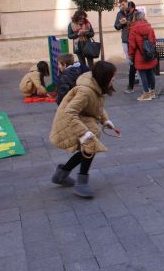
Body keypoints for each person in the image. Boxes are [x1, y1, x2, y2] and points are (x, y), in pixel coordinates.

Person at [49, 61, 119, 198]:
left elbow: (96, 105)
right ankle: (81, 184)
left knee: (87, 148)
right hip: (70, 120)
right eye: (113, 76)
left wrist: (105, 120)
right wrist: (84, 132)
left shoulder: (96, 86)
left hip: (81, 119)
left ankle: (61, 175)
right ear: (104, 77)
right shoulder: (86, 92)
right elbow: (69, 113)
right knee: (90, 145)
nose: (114, 79)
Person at [128, 11, 158, 101]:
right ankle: (152, 92)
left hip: (139, 55)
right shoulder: (149, 27)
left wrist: (131, 55)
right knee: (150, 72)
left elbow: (132, 44)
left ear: (135, 18)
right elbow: (154, 41)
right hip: (150, 54)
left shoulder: (133, 29)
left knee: (142, 74)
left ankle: (146, 94)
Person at [114, 0, 138, 94]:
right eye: (121, 5)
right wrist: (121, 23)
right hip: (125, 40)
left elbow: (138, 23)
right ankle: (134, 77)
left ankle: (135, 79)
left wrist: (127, 22)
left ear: (127, 3)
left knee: (135, 61)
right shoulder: (119, 14)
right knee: (129, 61)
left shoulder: (134, 12)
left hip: (135, 39)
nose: (122, 6)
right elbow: (116, 26)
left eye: (123, 4)